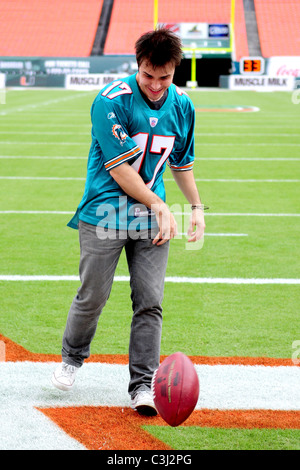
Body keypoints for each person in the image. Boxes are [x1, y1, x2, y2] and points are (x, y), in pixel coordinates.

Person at [52, 27, 206, 416]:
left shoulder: (183, 105)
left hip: (153, 217)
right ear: (137, 66)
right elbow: (121, 171)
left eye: (164, 77)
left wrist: (197, 208)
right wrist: (158, 204)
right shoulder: (111, 100)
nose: (155, 86)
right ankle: (72, 358)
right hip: (105, 211)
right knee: (93, 296)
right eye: (148, 76)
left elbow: (181, 163)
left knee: (150, 301)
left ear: (175, 71)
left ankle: (143, 384)